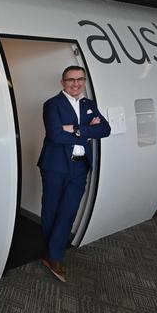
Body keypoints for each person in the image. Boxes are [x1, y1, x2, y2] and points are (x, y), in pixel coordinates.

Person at [37, 65, 111, 282]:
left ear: (84, 81)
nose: (76, 84)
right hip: (55, 165)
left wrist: (75, 128)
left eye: (80, 79)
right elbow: (56, 136)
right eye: (71, 80)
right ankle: (51, 252)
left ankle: (54, 255)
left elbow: (105, 129)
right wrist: (87, 129)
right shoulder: (52, 105)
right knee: (51, 209)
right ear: (63, 82)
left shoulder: (89, 104)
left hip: (80, 166)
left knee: (69, 210)